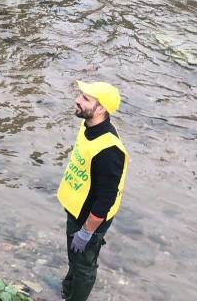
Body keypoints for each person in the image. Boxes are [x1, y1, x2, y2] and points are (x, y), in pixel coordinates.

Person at [56, 81, 128, 301]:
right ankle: (68, 288)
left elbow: (105, 199)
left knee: (85, 266)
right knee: (75, 258)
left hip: (91, 219)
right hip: (77, 209)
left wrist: (87, 232)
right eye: (81, 95)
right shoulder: (88, 125)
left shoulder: (109, 151)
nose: (77, 100)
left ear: (101, 109)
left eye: (86, 99)